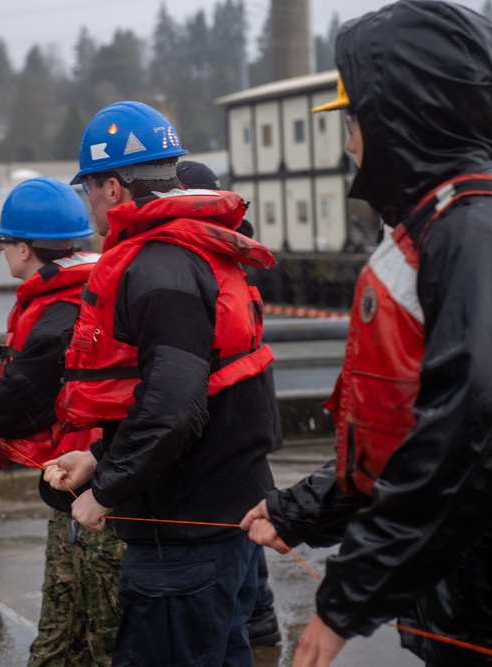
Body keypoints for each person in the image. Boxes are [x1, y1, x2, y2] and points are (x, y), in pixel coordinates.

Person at [240, 2, 492, 666]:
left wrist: (346, 599)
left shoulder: (478, 237)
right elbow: (411, 433)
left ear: (398, 117)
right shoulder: (452, 227)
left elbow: (468, 439)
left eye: (354, 120)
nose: (348, 142)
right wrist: (297, 511)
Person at [43, 101, 280, 665]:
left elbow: (174, 407)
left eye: (90, 190)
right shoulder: (193, 251)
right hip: (220, 524)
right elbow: (181, 393)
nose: (90, 205)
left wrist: (107, 489)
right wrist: (101, 456)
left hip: (184, 546)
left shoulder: (157, 267)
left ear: (115, 189)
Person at [0, 176, 126, 667]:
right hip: (87, 479)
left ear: (21, 248)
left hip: (91, 487)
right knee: (67, 633)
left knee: (99, 636)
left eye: (5, 243)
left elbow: (25, 393)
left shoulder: (57, 312)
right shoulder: (87, 290)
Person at [176, 159, 280, 648]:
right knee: (247, 519)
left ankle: (253, 620)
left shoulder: (195, 260)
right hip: (249, 415)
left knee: (235, 529)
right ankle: (260, 619)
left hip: (224, 418)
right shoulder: (234, 251)